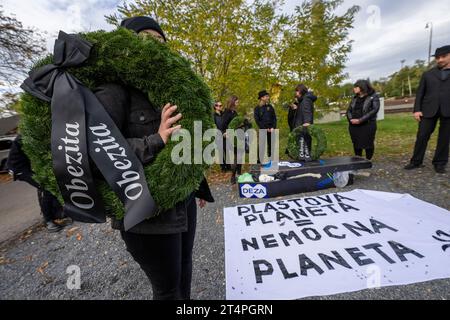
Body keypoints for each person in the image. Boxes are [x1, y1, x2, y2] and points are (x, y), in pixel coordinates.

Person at [93, 16, 214, 300]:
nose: (156, 46)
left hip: (183, 205)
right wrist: (156, 139)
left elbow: (185, 143)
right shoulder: (113, 89)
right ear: (127, 44)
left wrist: (194, 183)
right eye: (146, 39)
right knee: (167, 289)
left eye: (161, 41)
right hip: (147, 215)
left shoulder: (167, 90)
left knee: (185, 271)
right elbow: (98, 150)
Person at [7, 135, 71, 233]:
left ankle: (58, 214)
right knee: (46, 187)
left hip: (25, 167)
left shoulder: (27, 135)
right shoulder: (23, 137)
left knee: (49, 186)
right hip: (18, 169)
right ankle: (48, 221)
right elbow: (36, 153)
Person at [404, 45, 450, 174]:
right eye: (437, 57)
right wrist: (417, 110)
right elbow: (420, 93)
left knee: (444, 138)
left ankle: (440, 163)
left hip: (448, 110)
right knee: (422, 136)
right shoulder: (428, 74)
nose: (440, 60)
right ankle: (416, 161)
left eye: (443, 56)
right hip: (428, 109)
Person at [346, 80, 380, 160]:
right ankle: (359, 161)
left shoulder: (373, 96)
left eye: (356, 87)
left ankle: (368, 160)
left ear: (362, 87)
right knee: (356, 144)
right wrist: (351, 119)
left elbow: (374, 110)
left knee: (368, 144)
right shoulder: (355, 98)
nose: (354, 89)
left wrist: (360, 120)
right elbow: (349, 110)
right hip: (354, 126)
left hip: (367, 125)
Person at [289, 84, 317, 153]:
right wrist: (296, 108)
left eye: (297, 91)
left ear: (302, 91)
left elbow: (307, 111)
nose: (296, 93)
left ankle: (305, 158)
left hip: (303, 126)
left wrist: (307, 122)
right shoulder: (303, 100)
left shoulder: (306, 99)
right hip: (300, 126)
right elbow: (302, 111)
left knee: (304, 147)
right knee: (301, 147)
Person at [221, 96, 241, 184]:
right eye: (237, 101)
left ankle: (239, 175)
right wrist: (225, 132)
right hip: (229, 137)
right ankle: (233, 177)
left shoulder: (234, 112)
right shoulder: (226, 112)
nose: (238, 103)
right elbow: (223, 125)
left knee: (239, 157)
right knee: (234, 158)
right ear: (232, 102)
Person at [254, 90, 277, 161]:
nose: (268, 97)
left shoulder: (270, 107)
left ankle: (271, 159)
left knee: (271, 145)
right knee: (262, 145)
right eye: (266, 96)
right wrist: (264, 128)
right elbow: (257, 120)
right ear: (262, 98)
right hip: (263, 129)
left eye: (268, 96)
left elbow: (274, 118)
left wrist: (273, 127)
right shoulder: (257, 108)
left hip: (271, 129)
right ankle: (259, 160)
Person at [213, 101, 229, 172]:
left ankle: (228, 166)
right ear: (215, 107)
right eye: (218, 106)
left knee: (227, 150)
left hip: (226, 134)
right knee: (220, 152)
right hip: (218, 136)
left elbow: (227, 124)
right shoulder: (213, 116)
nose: (219, 107)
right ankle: (223, 167)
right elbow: (214, 126)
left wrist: (226, 132)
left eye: (221, 105)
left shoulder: (224, 114)